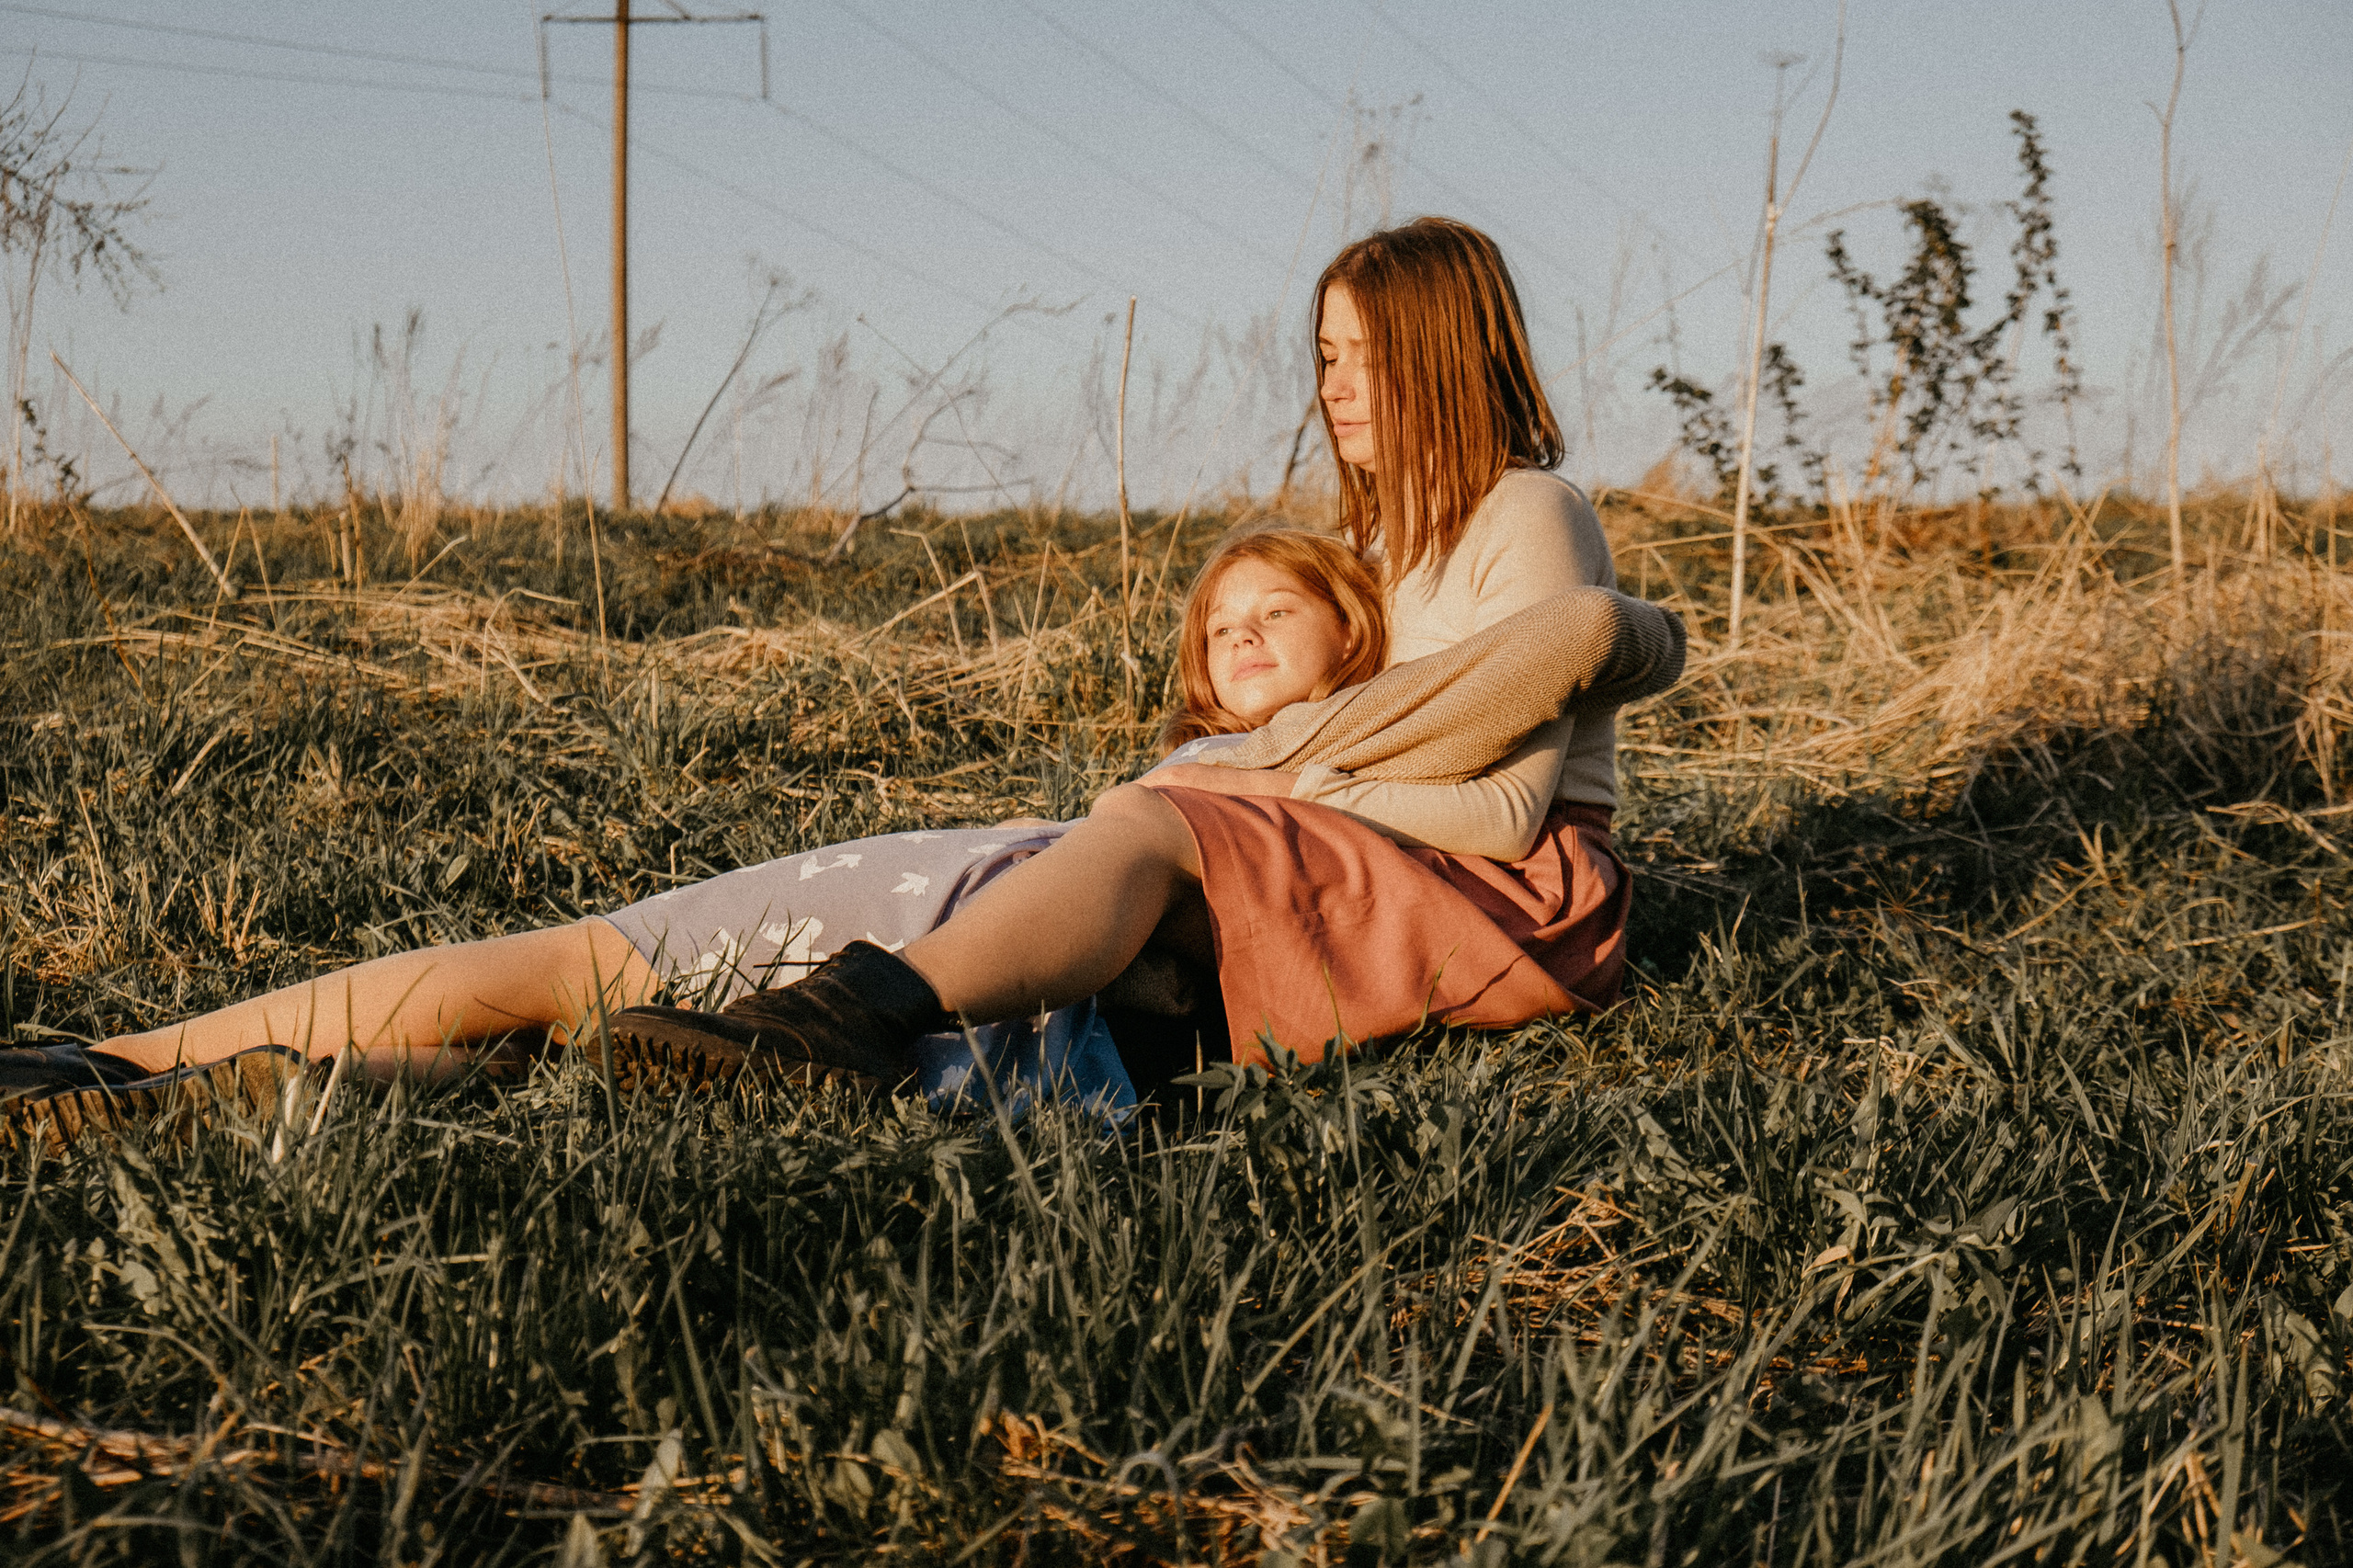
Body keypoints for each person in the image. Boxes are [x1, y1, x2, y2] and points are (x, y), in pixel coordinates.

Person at [591, 216, 1637, 1091]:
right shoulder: (1366, 546)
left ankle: (854, 1015)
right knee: (1084, 859)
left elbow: (1502, 818)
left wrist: (1261, 781)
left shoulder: (1528, 512)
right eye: (1327, 357)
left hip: (1514, 897)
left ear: (1450, 354)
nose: (1337, 387)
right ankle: (821, 1032)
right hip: (1380, 853)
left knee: (1153, 824)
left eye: (1370, 356)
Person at [0, 528, 1390, 1131]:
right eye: (1222, 622)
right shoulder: (1223, 764)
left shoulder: (1353, 755)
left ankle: (139, 1068)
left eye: (1278, 609)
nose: (1243, 630)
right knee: (567, 1019)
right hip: (969, 925)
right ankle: (176, 1075)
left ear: (1361, 631)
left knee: (566, 989)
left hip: (954, 927)